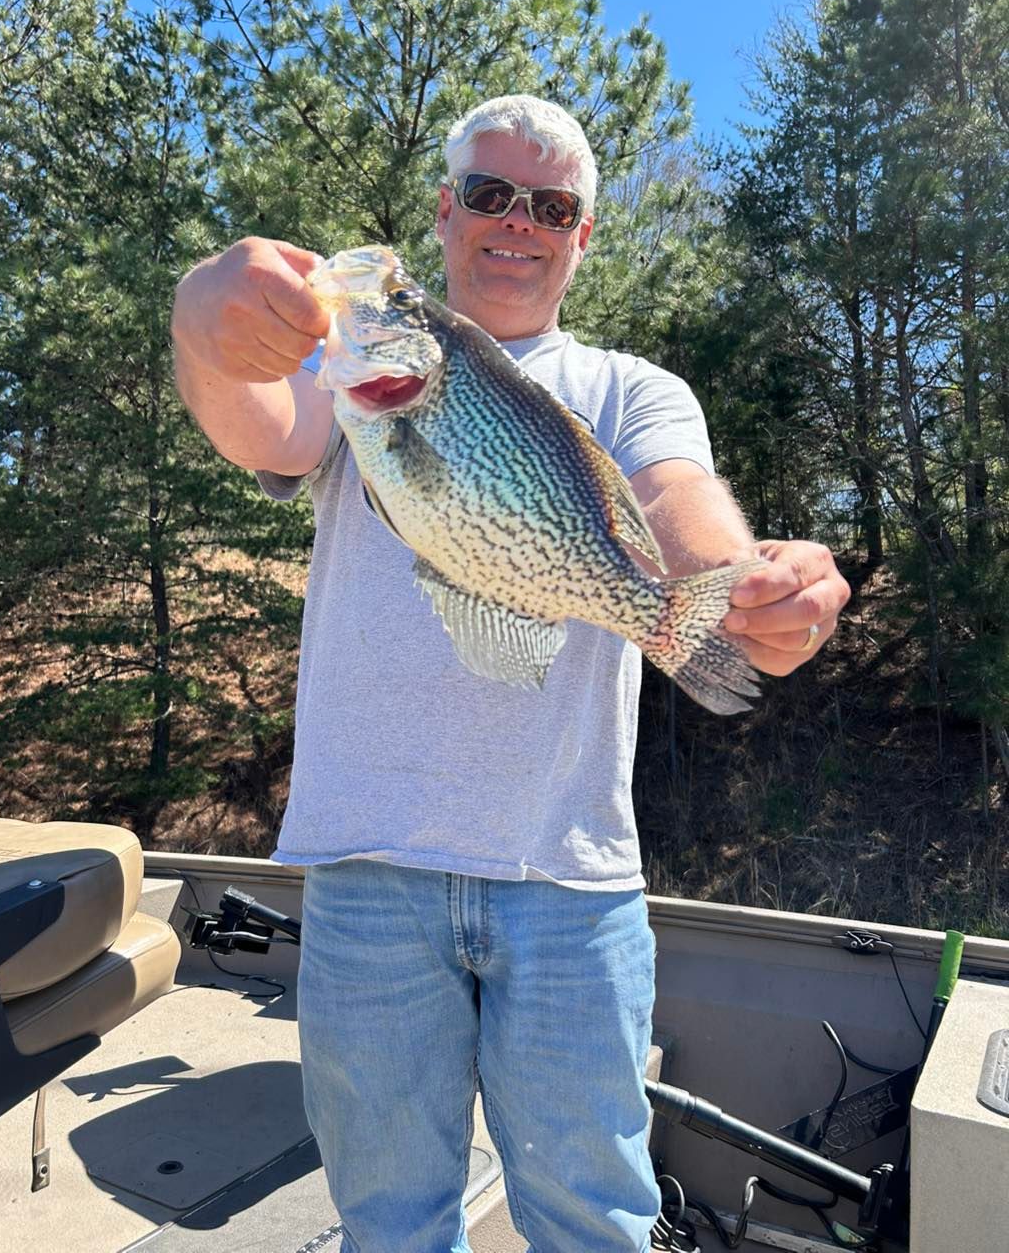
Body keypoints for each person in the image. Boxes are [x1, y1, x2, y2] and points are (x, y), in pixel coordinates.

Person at [171, 95, 850, 1252]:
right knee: (387, 1224)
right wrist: (199, 316)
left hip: (570, 879)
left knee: (595, 1224)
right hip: (366, 863)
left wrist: (748, 586)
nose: (517, 221)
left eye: (552, 206)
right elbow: (253, 423)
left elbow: (680, 510)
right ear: (447, 212)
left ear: (582, 236)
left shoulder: (633, 391)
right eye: (489, 193)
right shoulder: (361, 379)